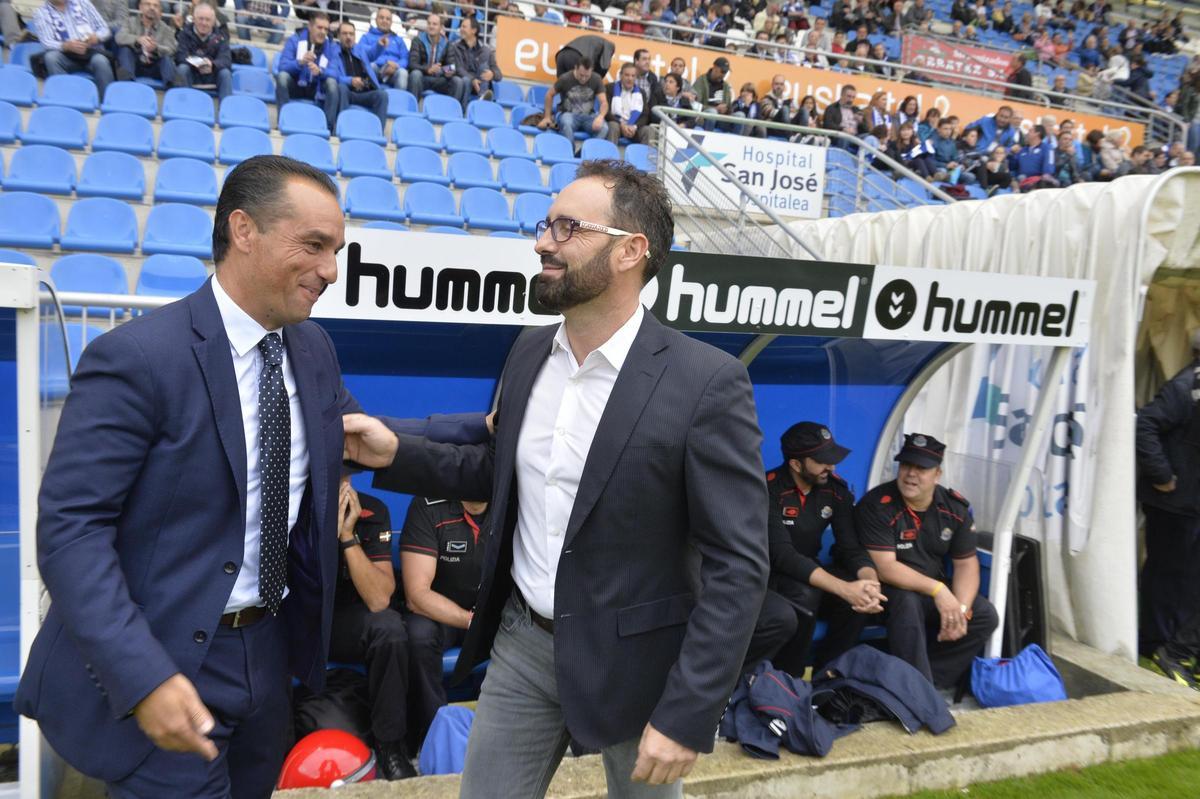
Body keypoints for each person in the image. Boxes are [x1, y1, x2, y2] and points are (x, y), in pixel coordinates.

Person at [343, 160, 769, 798]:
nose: (543, 242)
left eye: (568, 228)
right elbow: (500, 474)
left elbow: (739, 564)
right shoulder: (528, 351)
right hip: (524, 641)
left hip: (638, 663)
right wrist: (393, 454)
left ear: (630, 251)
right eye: (546, 225)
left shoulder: (706, 382)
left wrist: (688, 710)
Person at [13, 155, 356, 796]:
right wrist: (142, 676)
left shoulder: (314, 348)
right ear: (244, 230)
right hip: (164, 664)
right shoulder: (138, 357)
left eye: (334, 250)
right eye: (313, 245)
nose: (331, 270)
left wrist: (484, 429)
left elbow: (354, 430)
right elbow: (71, 531)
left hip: (267, 658)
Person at [856, 434, 999, 690]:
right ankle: (916, 689)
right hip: (886, 591)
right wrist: (939, 590)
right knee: (907, 602)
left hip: (930, 591)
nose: (911, 474)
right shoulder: (878, 504)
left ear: (937, 474)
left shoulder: (954, 507)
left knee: (984, 615)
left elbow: (966, 564)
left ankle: (924, 687)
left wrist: (960, 610)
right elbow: (886, 568)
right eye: (906, 465)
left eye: (921, 468)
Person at [746, 423, 884, 676]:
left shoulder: (835, 491)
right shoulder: (766, 489)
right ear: (796, 464)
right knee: (807, 594)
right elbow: (782, 555)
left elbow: (850, 547)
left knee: (857, 598)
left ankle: (828, 675)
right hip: (767, 576)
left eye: (832, 459)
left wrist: (869, 583)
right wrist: (844, 589)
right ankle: (789, 678)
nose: (831, 467)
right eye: (822, 461)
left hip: (808, 571)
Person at [326, 479, 417, 779]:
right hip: (301, 617)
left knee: (389, 628)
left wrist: (347, 536)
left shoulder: (371, 510)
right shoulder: (291, 506)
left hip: (347, 619)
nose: (340, 482)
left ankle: (390, 747)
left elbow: (379, 599)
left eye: (345, 474)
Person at [400, 494, 490, 747]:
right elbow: (417, 596)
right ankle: (434, 740)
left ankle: (506, 739)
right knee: (417, 636)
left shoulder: (513, 501)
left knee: (526, 632)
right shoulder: (428, 505)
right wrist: (472, 621)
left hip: (493, 611)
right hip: (440, 613)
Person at [1136, 329, 1200, 680]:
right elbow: (1146, 424)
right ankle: (1155, 644)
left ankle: (1174, 648)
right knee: (1167, 575)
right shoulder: (1183, 387)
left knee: (1188, 579)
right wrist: (1163, 475)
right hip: (1173, 503)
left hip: (1190, 503)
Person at [31, 0, 115, 99]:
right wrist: (65, 46)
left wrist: (97, 37)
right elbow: (46, 42)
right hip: (65, 56)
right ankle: (65, 100)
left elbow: (104, 29)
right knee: (51, 57)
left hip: (90, 53)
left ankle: (106, 101)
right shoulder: (41, 13)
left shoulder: (84, 3)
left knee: (101, 60)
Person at [276, 12, 340, 133]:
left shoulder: (332, 46)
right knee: (282, 77)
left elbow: (336, 73)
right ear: (310, 26)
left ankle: (328, 130)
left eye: (326, 29)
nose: (323, 32)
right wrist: (300, 62)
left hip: (318, 88)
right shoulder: (295, 40)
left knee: (332, 83)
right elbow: (282, 66)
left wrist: (320, 71)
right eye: (319, 27)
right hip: (296, 85)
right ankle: (283, 121)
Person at [331, 20, 388, 129]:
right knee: (342, 88)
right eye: (345, 33)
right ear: (338, 36)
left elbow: (372, 53)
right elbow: (332, 75)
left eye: (351, 34)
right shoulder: (333, 51)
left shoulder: (360, 49)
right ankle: (341, 128)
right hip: (348, 92)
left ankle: (378, 132)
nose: (348, 37)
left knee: (382, 95)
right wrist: (350, 80)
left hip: (365, 91)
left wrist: (379, 45)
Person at [539, 56, 609, 145]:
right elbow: (549, 94)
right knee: (566, 123)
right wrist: (547, 117)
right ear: (576, 68)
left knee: (604, 128)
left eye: (587, 76)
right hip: (568, 114)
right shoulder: (565, 78)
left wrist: (600, 117)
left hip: (588, 116)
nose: (583, 79)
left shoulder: (596, 79)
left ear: (591, 71)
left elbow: (604, 102)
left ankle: (584, 152)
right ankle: (570, 151)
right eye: (581, 75)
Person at [174, 1, 231, 99]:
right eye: (201, 19)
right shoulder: (184, 34)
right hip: (191, 73)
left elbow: (226, 60)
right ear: (194, 19)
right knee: (182, 68)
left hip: (212, 75)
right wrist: (198, 63)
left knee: (225, 73)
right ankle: (183, 104)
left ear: (213, 22)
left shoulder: (221, 37)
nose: (204, 23)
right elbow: (180, 56)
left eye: (208, 20)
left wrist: (212, 64)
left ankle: (227, 107)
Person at [408, 13, 466, 109]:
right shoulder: (417, 41)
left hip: (440, 80)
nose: (431, 26)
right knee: (415, 74)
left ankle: (451, 112)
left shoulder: (447, 44)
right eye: (429, 23)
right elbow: (412, 64)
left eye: (434, 24)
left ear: (441, 27)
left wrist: (443, 71)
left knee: (457, 81)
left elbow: (452, 67)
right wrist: (428, 69)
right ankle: (412, 109)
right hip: (423, 77)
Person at [114, 0, 175, 85]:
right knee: (125, 50)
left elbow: (171, 49)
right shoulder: (130, 22)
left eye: (156, 6)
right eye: (148, 4)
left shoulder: (166, 29)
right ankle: (127, 84)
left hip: (155, 66)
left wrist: (156, 48)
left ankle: (171, 88)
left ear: (160, 10)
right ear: (140, 7)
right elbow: (119, 37)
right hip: (135, 64)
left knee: (166, 59)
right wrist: (137, 39)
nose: (152, 8)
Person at [450, 15, 501, 110]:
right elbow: (458, 69)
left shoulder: (486, 49)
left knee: (484, 67)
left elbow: (499, 75)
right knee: (466, 80)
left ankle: (482, 97)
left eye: (464, 27)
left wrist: (492, 74)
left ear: (473, 30)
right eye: (461, 26)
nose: (461, 29)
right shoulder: (455, 47)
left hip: (480, 84)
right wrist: (472, 80)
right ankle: (472, 106)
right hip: (464, 82)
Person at [357, 7, 407, 91]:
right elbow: (361, 55)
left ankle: (399, 99)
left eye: (388, 19)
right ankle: (371, 97)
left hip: (393, 72)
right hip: (375, 69)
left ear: (391, 22)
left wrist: (396, 65)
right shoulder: (366, 37)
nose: (384, 21)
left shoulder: (399, 40)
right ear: (376, 20)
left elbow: (405, 58)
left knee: (402, 73)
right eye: (381, 18)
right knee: (371, 66)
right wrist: (385, 63)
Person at [606, 61, 651, 144]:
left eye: (633, 76)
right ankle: (610, 152)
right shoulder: (610, 88)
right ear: (621, 75)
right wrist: (621, 125)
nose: (630, 78)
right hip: (618, 124)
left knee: (648, 131)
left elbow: (644, 115)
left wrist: (634, 127)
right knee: (613, 126)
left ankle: (641, 153)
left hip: (633, 128)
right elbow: (606, 111)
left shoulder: (641, 92)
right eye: (627, 75)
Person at [692, 57, 733, 131]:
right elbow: (695, 104)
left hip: (721, 118)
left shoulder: (726, 86)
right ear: (714, 67)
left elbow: (729, 107)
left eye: (726, 72)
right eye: (722, 71)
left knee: (740, 115)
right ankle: (708, 136)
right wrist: (715, 108)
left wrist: (726, 109)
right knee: (712, 112)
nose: (723, 75)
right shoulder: (701, 81)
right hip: (704, 117)